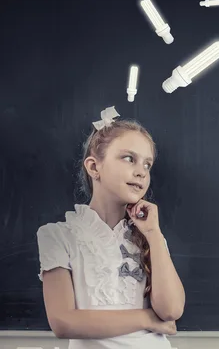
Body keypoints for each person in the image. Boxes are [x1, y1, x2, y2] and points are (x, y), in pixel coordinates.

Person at [36, 106, 185, 349]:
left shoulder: (150, 236)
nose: (141, 172)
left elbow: (171, 310)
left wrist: (154, 234)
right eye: (129, 158)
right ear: (94, 167)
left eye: (147, 165)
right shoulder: (57, 235)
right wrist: (147, 318)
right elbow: (63, 322)